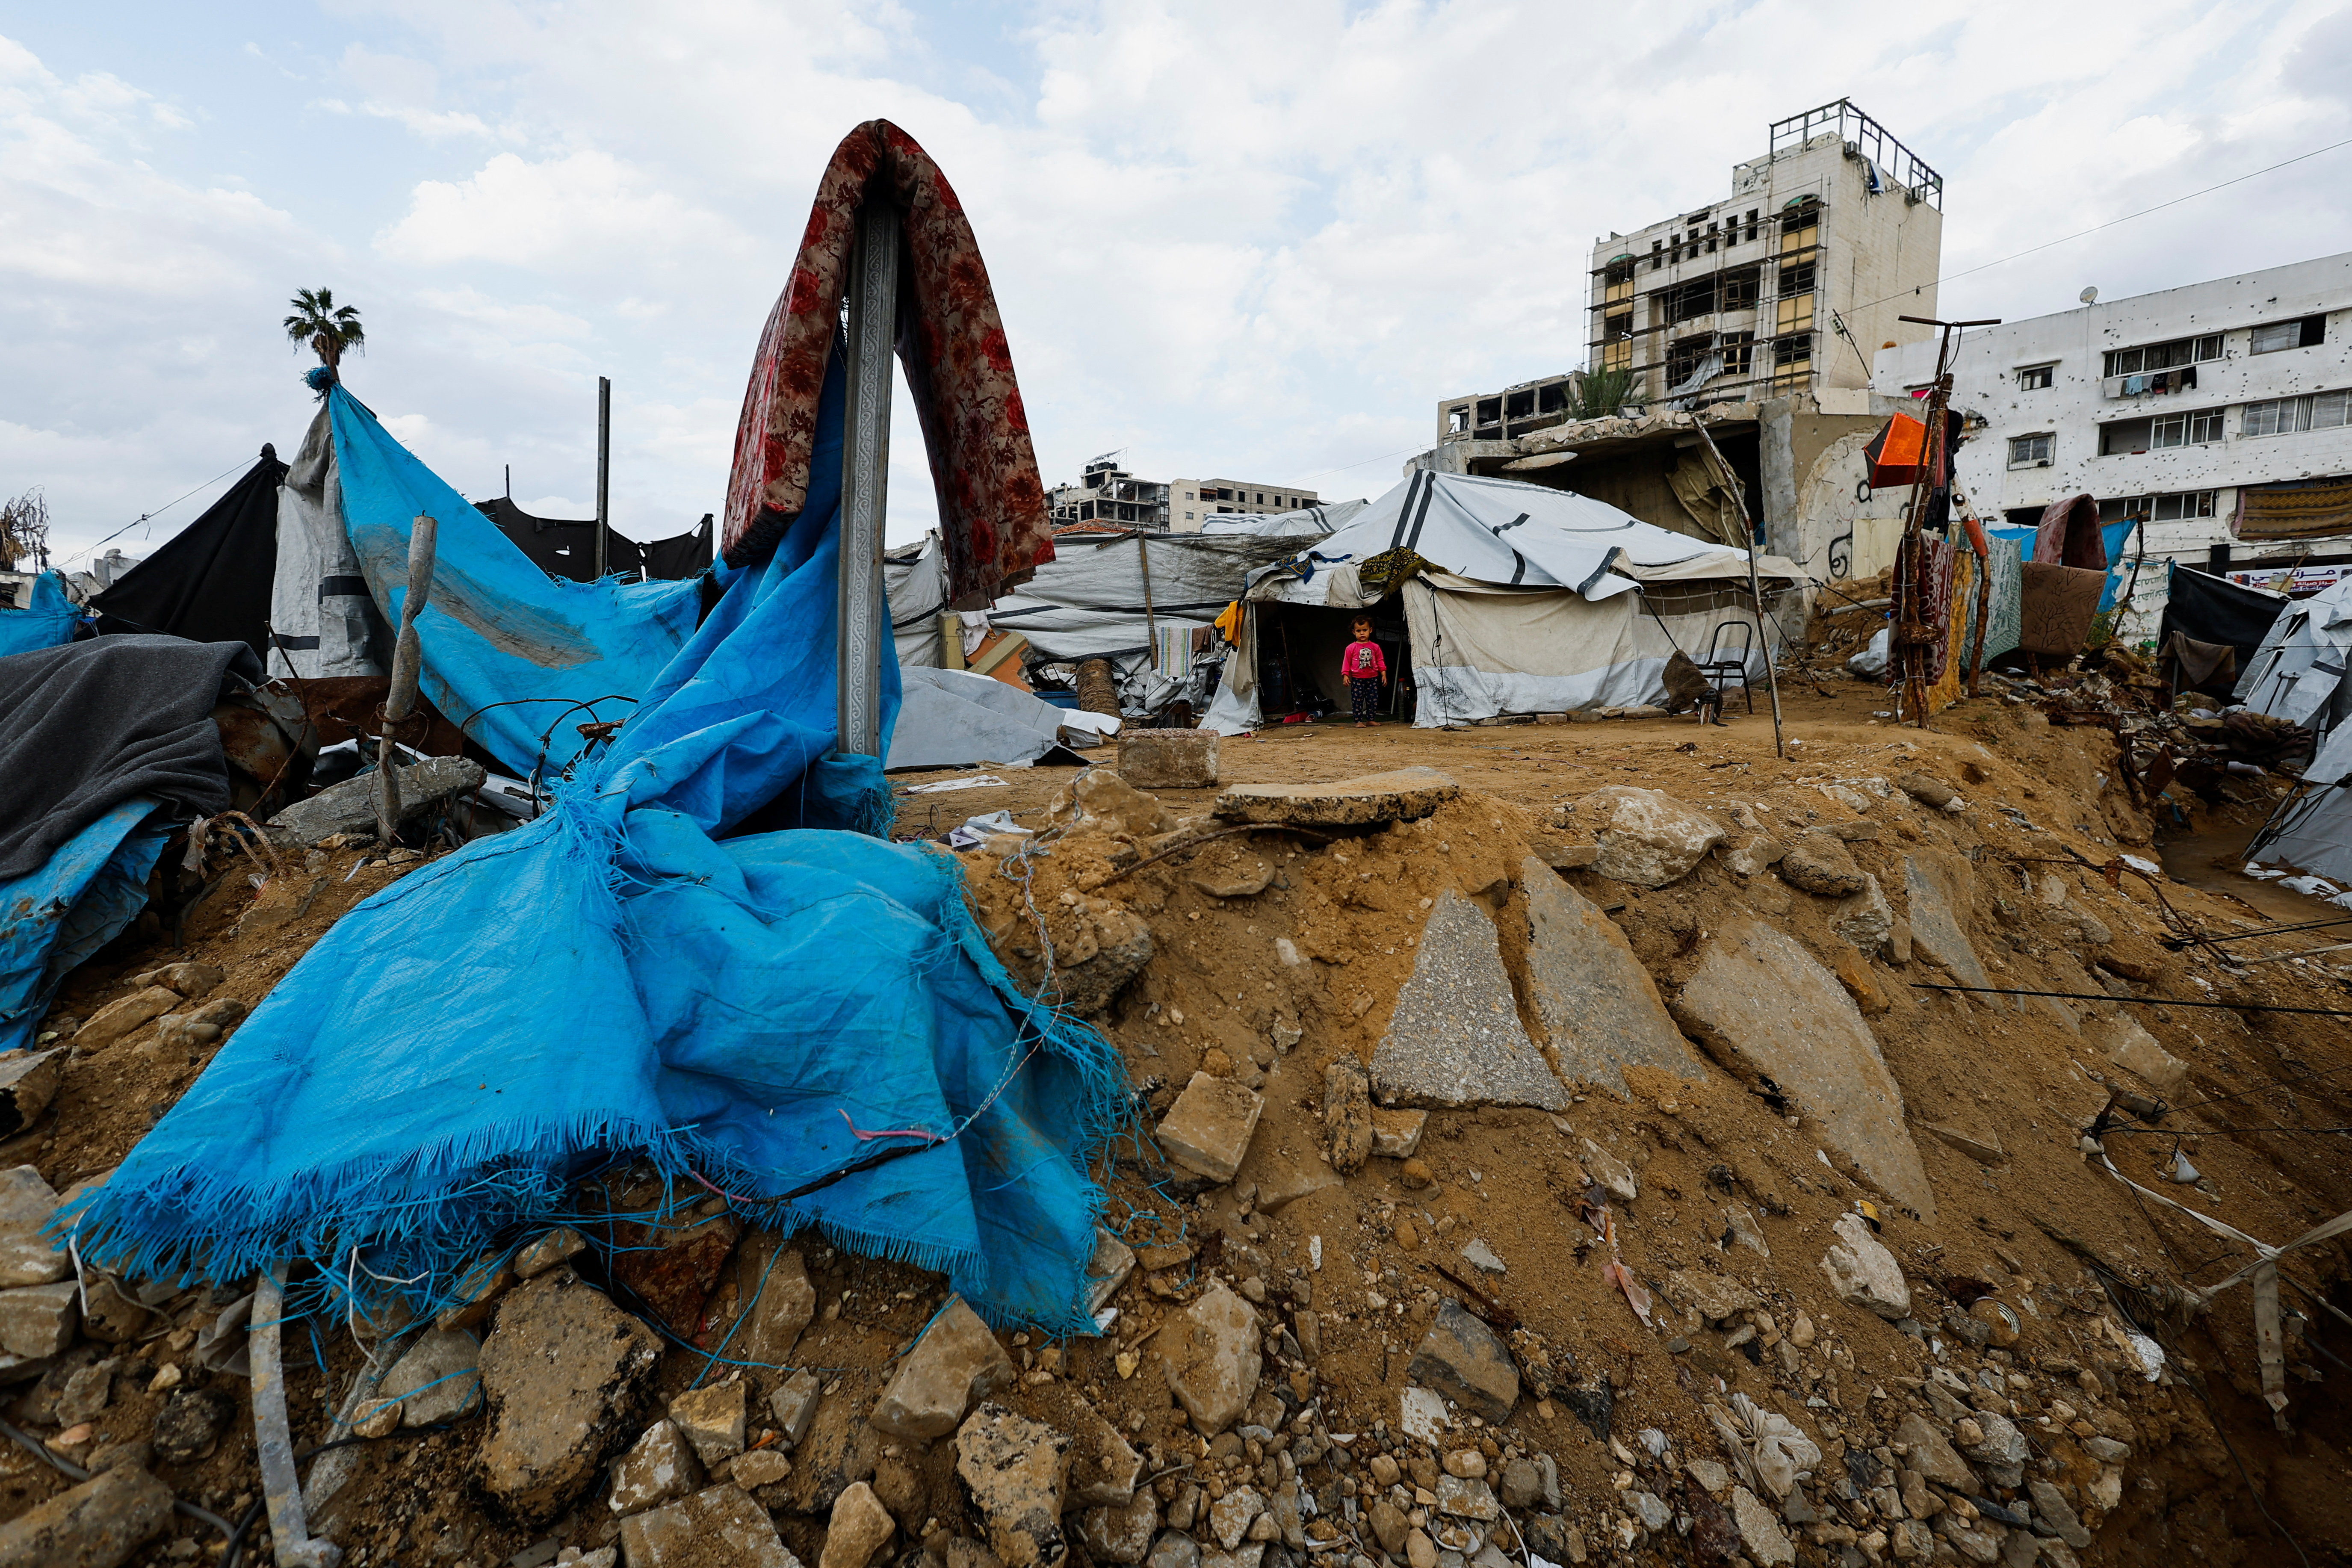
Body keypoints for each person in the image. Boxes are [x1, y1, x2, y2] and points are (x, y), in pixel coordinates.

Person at [1342, 618, 1388, 726]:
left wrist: (1384, 674)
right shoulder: (1351, 648)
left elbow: (1380, 661)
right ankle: (1358, 721)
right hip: (1357, 679)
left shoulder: (1375, 647)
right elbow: (1346, 662)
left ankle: (1370, 719)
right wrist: (1345, 675)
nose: (1362, 633)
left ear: (1370, 630)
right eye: (1359, 631)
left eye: (1365, 630)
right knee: (1357, 701)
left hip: (1372, 678)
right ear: (1354, 632)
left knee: (1373, 700)